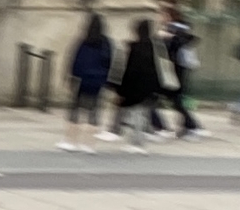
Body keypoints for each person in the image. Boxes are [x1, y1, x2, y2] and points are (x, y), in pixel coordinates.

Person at [60, 14, 111, 151]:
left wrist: (70, 77)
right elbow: (109, 62)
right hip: (98, 80)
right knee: (94, 111)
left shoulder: (83, 41)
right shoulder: (106, 43)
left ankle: (70, 141)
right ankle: (89, 144)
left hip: (83, 79)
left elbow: (75, 60)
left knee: (75, 109)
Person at [113, 15, 165, 150]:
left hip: (136, 87)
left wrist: (121, 90)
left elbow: (130, 70)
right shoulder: (156, 46)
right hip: (151, 86)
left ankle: (137, 143)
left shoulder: (135, 47)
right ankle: (142, 139)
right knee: (144, 113)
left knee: (136, 113)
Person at [157, 1, 202, 137]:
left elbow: (179, 43)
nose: (160, 17)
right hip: (179, 66)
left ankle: (191, 125)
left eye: (162, 14)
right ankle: (187, 126)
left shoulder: (174, 28)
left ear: (168, 15)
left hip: (177, 67)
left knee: (174, 97)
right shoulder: (176, 27)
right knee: (175, 98)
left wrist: (167, 37)